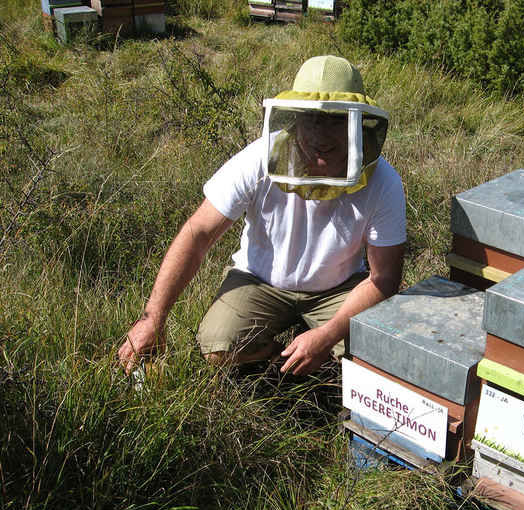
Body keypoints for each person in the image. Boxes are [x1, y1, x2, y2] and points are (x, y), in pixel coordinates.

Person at [117, 55, 406, 376]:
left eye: (337, 119)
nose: (322, 135)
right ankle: (283, 358)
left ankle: (318, 355)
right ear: (295, 119)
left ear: (358, 122)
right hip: (260, 280)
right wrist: (152, 319)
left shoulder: (384, 180)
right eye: (313, 119)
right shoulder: (258, 159)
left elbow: (384, 278)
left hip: (339, 289)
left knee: (375, 354)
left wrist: (327, 335)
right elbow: (198, 233)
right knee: (218, 344)